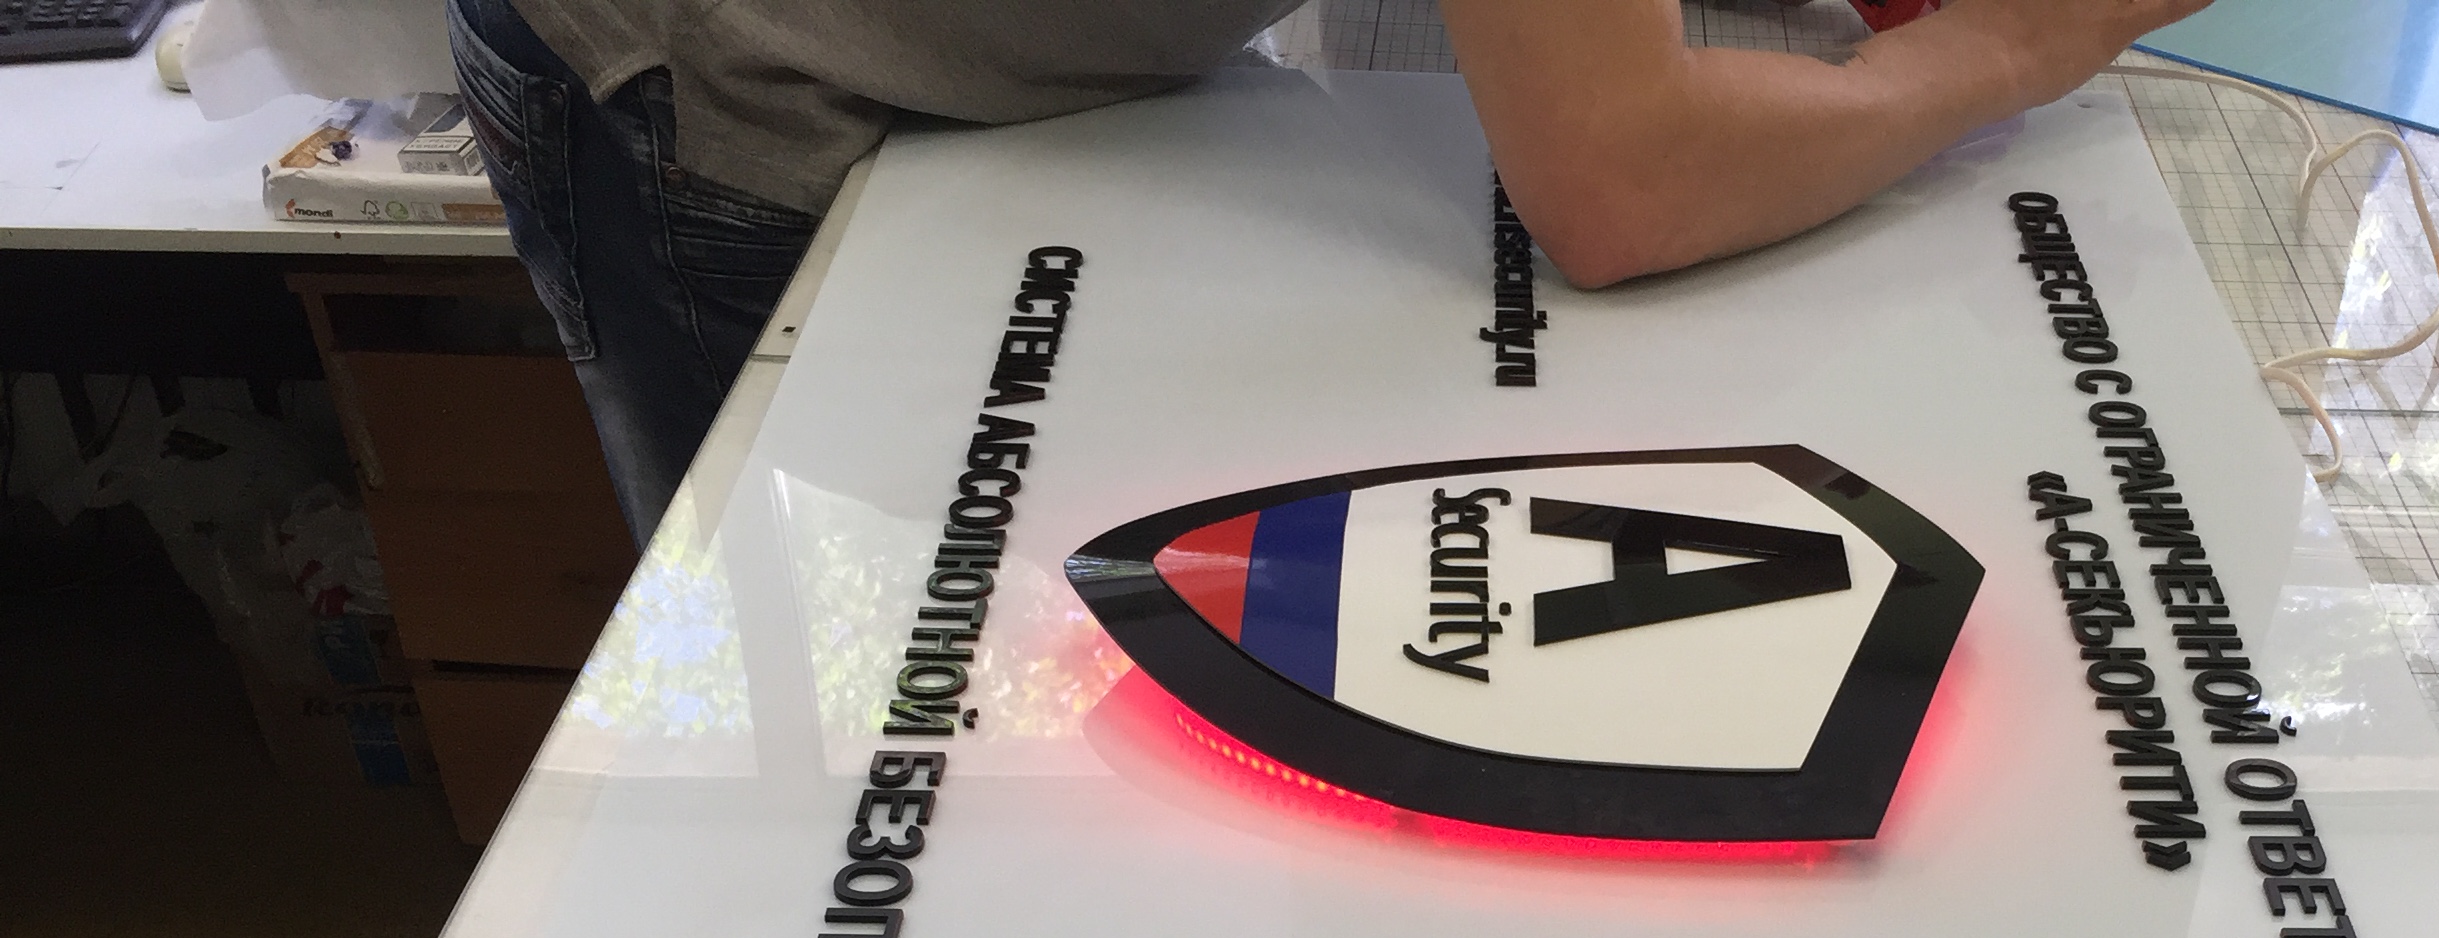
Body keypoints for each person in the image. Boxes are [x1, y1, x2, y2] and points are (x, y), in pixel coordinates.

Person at [449, 0, 2207, 544]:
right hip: (738, 83)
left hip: (1014, 81)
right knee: (872, 790)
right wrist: (2008, 45)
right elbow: (1620, 182)